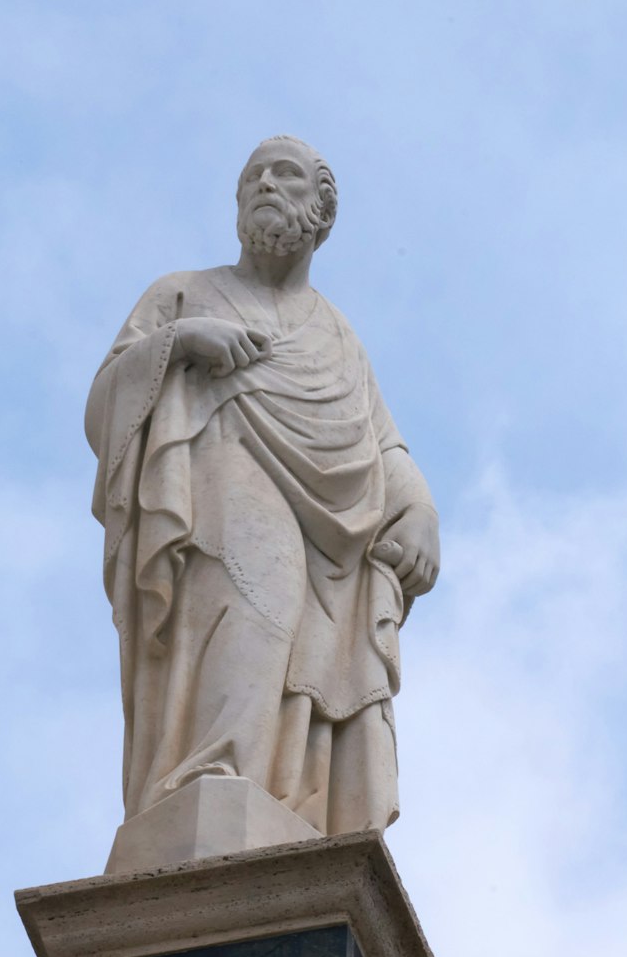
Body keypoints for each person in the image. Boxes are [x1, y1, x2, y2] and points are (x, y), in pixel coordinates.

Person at [85, 136, 439, 837]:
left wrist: (420, 507)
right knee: (250, 606)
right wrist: (182, 341)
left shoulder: (337, 335)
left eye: (286, 175)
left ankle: (291, 805)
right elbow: (104, 409)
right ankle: (211, 775)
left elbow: (378, 445)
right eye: (253, 175)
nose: (265, 185)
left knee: (299, 644)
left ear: (322, 212)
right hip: (217, 493)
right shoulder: (182, 294)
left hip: (330, 547)